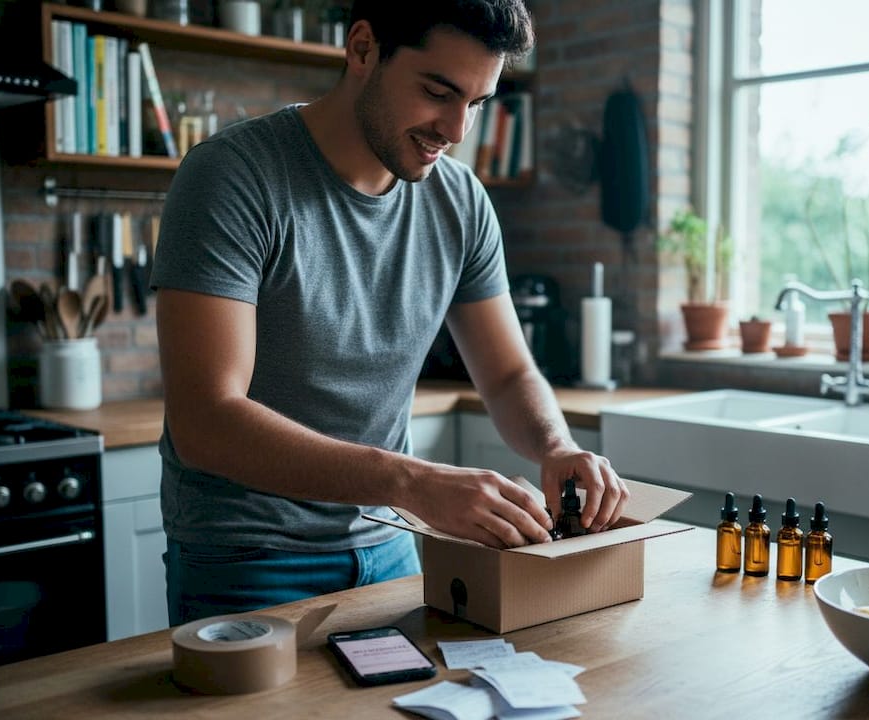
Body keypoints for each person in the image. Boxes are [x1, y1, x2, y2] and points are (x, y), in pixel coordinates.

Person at [150, 0, 629, 625]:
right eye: (438, 91)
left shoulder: (461, 201)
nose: (457, 130)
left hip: (392, 547)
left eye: (478, 103)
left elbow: (508, 375)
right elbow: (206, 421)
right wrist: (413, 483)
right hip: (247, 558)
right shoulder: (233, 177)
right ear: (363, 49)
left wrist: (555, 445)